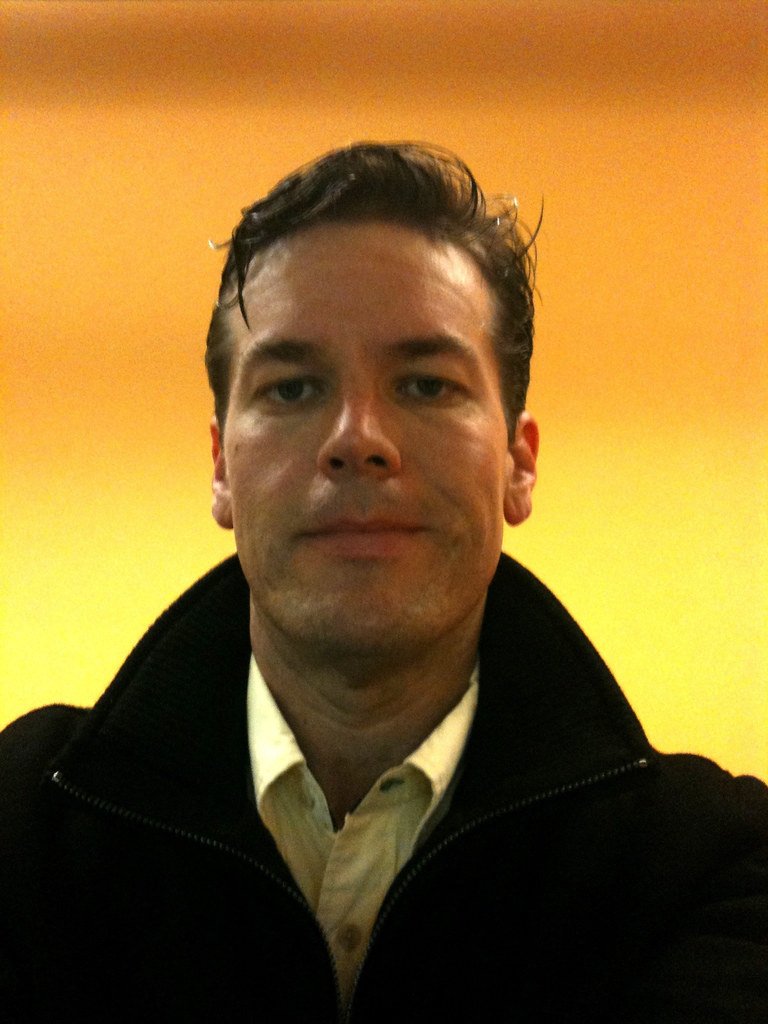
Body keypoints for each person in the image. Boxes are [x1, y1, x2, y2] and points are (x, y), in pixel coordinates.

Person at [1, 143, 766, 1024]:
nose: (357, 438)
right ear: (220, 468)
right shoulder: (18, 837)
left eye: (426, 385)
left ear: (518, 465)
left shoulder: (712, 871)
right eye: (293, 389)